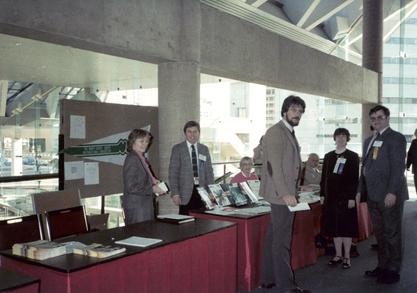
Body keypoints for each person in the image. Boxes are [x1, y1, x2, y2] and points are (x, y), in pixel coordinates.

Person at [260, 95, 310, 293]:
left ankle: (268, 278)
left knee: (274, 237)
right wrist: (285, 194)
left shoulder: (287, 131)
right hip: (281, 196)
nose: (297, 114)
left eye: (300, 112)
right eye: (293, 110)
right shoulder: (275, 132)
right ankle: (286, 287)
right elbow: (273, 166)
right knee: (281, 242)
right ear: (284, 111)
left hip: (284, 193)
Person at [360, 105, 408, 284]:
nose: (376, 121)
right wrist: (360, 191)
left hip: (389, 195)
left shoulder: (396, 138)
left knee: (392, 233)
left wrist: (392, 192)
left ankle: (393, 270)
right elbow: (365, 167)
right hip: (373, 195)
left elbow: (398, 168)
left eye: (380, 117)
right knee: (379, 234)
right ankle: (382, 266)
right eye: (373, 119)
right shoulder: (369, 140)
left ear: (387, 118)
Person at [320, 128, 359, 269]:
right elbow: (324, 178)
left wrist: (351, 197)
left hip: (345, 199)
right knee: (335, 228)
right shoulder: (328, 156)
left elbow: (354, 180)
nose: (341, 138)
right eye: (338, 136)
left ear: (347, 138)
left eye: (343, 136)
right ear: (334, 138)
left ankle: (347, 257)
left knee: (346, 229)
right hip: (331, 198)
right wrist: (322, 195)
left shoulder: (353, 156)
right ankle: (337, 255)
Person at [169, 121, 214, 215]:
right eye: (189, 131)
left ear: (199, 133)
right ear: (185, 133)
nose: (192, 134)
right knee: (185, 224)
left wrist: (211, 191)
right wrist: (175, 193)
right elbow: (173, 173)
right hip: (184, 193)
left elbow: (209, 171)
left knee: (203, 223)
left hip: (202, 192)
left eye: (195, 131)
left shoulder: (204, 149)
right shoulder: (177, 149)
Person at [122, 129, 166, 225]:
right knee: (140, 236)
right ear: (133, 141)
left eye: (146, 141)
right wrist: (152, 189)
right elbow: (131, 187)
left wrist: (154, 182)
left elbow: (142, 180)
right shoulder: (132, 158)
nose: (145, 144)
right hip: (137, 207)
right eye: (141, 141)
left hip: (143, 205)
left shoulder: (140, 157)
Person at [406, 128, 417, 194]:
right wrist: (408, 165)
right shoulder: (414, 142)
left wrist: (408, 165)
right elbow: (410, 154)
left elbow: (410, 154)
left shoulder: (414, 142)